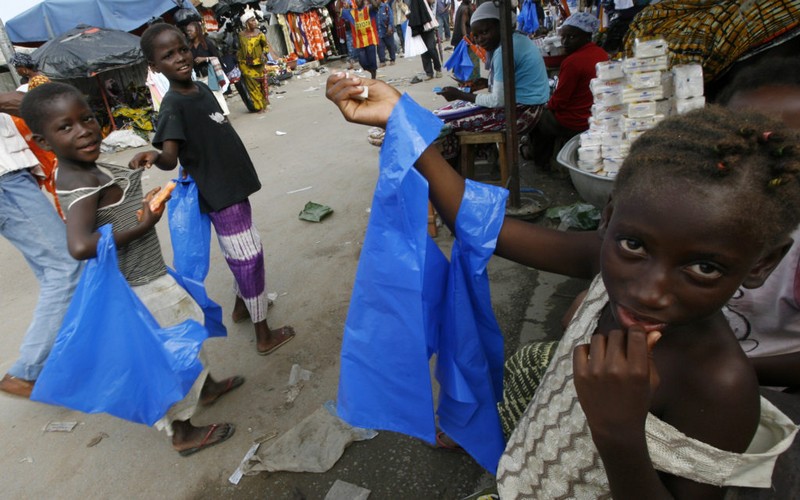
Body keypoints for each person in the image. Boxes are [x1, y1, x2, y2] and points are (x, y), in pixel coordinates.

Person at [326, 73, 799, 497]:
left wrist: (618, 432)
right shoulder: (605, 258)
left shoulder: (721, 389)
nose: (650, 291)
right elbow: (485, 227)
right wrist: (400, 119)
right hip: (526, 469)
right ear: (608, 219)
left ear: (761, 265)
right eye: (634, 244)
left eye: (705, 269)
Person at [20, 82, 242, 455]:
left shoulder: (84, 165)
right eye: (66, 127)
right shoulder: (78, 180)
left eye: (87, 118)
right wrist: (142, 225)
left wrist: (139, 174)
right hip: (141, 286)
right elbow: (78, 245)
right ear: (43, 142)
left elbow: (112, 203)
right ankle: (182, 431)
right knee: (171, 354)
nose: (85, 130)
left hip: (150, 273)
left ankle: (207, 387)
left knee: (189, 330)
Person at [133, 23, 295, 356]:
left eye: (182, 49)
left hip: (233, 184)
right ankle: (263, 334)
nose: (180, 58)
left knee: (243, 251)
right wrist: (153, 155)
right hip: (219, 192)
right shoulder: (173, 105)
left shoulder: (201, 90)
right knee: (249, 257)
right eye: (168, 55)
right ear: (154, 66)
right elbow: (169, 158)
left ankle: (241, 306)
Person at [0, 107, 82, 399]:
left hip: (12, 176)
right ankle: (27, 370)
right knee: (65, 266)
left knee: (54, 272)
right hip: (5, 180)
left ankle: (51, 364)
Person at [436, 2, 549, 162]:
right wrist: (484, 82)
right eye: (476, 35)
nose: (480, 39)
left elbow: (497, 100)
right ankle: (481, 158)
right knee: (447, 111)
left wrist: (459, 95)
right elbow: (509, 81)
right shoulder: (515, 40)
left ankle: (452, 170)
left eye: (485, 32)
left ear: (501, 26)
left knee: (445, 123)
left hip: (522, 113)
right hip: (531, 107)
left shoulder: (505, 51)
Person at [525, 12, 608, 168]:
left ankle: (541, 162)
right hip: (596, 115)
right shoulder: (602, 54)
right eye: (563, 37)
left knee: (537, 118)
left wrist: (545, 106)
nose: (565, 42)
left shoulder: (572, 62)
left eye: (571, 37)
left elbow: (559, 101)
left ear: (586, 36)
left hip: (575, 120)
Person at [183, 20, 230, 116]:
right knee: (206, 99)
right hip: (199, 77)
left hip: (210, 74)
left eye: (190, 31)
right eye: (187, 31)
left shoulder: (207, 43)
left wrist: (205, 59)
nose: (189, 33)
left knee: (217, 96)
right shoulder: (189, 47)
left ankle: (224, 115)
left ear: (197, 30)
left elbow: (217, 57)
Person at [237, 8, 270, 113]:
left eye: (254, 20)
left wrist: (264, 54)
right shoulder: (241, 35)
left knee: (262, 85)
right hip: (246, 65)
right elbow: (240, 50)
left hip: (259, 63)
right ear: (246, 23)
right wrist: (240, 62)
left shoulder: (260, 34)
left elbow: (265, 47)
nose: (254, 22)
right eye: (251, 20)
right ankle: (259, 106)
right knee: (252, 86)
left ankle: (264, 104)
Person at [342, 0, 381, 80]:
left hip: (370, 40)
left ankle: (374, 78)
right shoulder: (351, 12)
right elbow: (337, 10)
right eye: (356, 0)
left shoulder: (368, 9)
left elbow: (375, 6)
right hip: (359, 42)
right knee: (363, 62)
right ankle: (371, 71)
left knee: (372, 61)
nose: (358, 1)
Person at [408, 0, 442, 81]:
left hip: (428, 24)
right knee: (423, 51)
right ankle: (429, 73)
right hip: (418, 25)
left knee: (431, 48)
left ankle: (438, 68)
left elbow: (432, 1)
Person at [377, 0, 397, 67]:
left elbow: (391, 17)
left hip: (387, 30)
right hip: (378, 31)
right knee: (380, 47)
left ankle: (392, 59)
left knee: (390, 45)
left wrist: (390, 26)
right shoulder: (372, 8)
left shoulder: (386, 6)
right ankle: (382, 61)